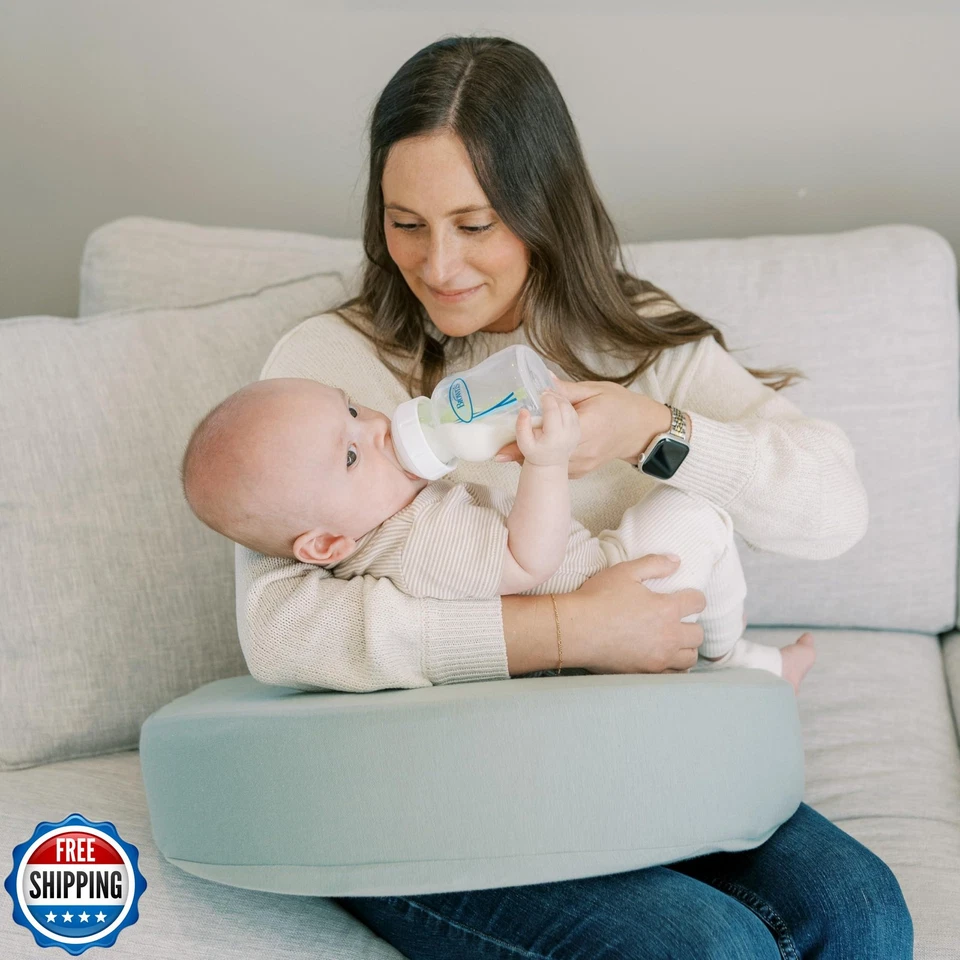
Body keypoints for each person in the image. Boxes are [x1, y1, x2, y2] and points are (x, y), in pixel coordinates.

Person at [231, 34, 912, 959]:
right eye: (406, 222)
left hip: (627, 751)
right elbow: (278, 625)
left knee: (861, 906)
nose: (436, 267)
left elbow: (836, 514)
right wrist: (569, 631)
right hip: (431, 788)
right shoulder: (334, 373)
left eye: (475, 226)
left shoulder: (640, 346)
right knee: (697, 946)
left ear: (542, 208)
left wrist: (647, 431)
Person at [183, 376, 814, 688]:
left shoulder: (385, 526)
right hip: (616, 576)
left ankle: (731, 650)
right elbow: (527, 560)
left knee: (704, 521)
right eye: (351, 455)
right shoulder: (422, 538)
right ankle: (731, 653)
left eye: (352, 409)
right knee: (700, 515)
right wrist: (545, 464)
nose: (376, 427)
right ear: (324, 546)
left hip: (604, 586)